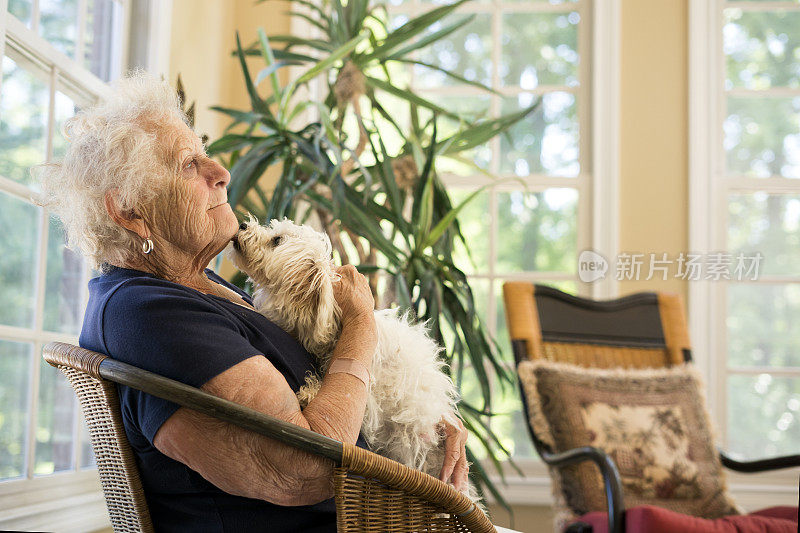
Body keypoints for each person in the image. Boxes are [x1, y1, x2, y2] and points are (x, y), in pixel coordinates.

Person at [35, 72, 469, 532]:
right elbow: (303, 465)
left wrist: (417, 414)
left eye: (206, 155)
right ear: (128, 211)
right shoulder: (147, 312)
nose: (221, 172)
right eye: (188, 165)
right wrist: (361, 322)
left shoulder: (194, 288)